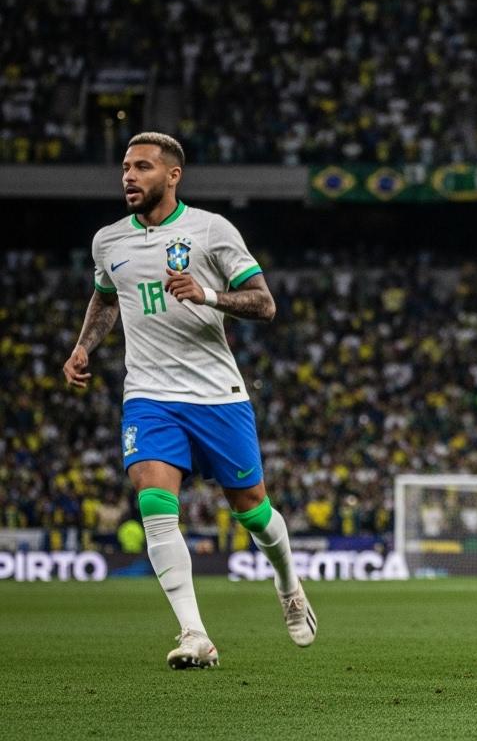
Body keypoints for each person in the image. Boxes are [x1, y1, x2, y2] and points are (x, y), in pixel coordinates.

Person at [62, 132, 315, 669]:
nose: (129, 177)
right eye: (126, 167)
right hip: (150, 396)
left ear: (172, 175)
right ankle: (194, 633)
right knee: (155, 505)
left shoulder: (209, 230)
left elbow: (264, 304)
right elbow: (105, 298)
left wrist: (208, 295)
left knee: (253, 511)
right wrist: (84, 347)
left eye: (143, 167)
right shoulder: (108, 241)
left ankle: (289, 584)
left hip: (216, 395)